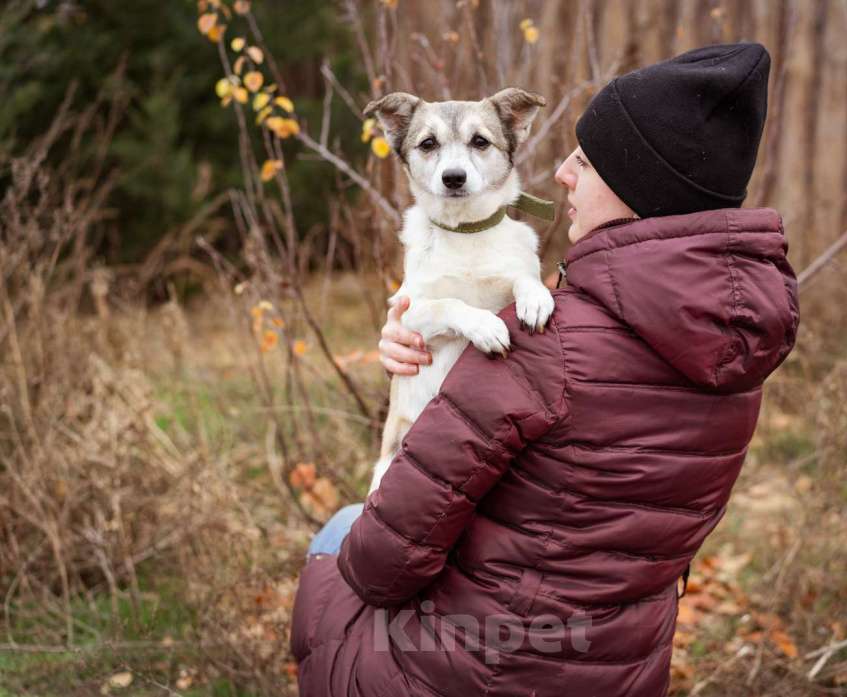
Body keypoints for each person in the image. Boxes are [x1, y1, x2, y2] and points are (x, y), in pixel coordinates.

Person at [291, 42, 799, 697]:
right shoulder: (740, 357)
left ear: (632, 185)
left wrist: (436, 359)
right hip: (623, 669)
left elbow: (383, 563)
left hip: (479, 668)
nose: (559, 173)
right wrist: (433, 338)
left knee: (341, 533)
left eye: (584, 162)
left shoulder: (540, 339)